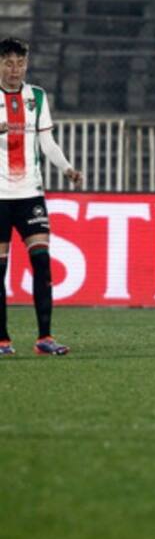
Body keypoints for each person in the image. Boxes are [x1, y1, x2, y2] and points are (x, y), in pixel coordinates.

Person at [0, 37, 81, 356]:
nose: (15, 69)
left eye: (20, 62)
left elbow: (47, 142)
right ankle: (2, 340)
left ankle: (44, 338)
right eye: (8, 62)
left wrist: (67, 168)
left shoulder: (36, 97)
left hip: (30, 193)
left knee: (42, 263)